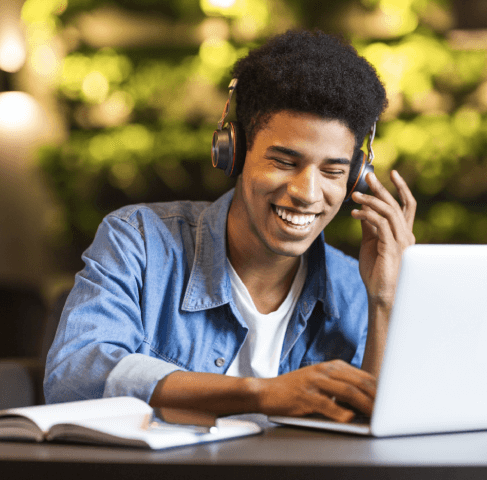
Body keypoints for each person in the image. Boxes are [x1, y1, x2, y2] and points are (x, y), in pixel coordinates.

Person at [44, 30, 416, 423]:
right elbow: (73, 379)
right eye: (284, 162)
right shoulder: (138, 241)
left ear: (355, 177)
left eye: (332, 171)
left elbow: (377, 435)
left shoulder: (355, 288)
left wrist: (387, 300)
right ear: (234, 152)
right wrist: (260, 394)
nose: (308, 193)